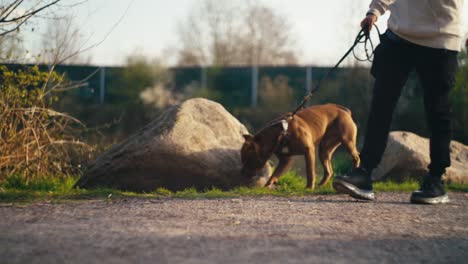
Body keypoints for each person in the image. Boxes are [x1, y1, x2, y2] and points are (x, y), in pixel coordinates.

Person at [332, 0, 465, 204]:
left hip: (441, 39)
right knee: (381, 105)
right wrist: (374, 12)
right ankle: (364, 173)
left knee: (437, 111)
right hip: (399, 36)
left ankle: (436, 179)